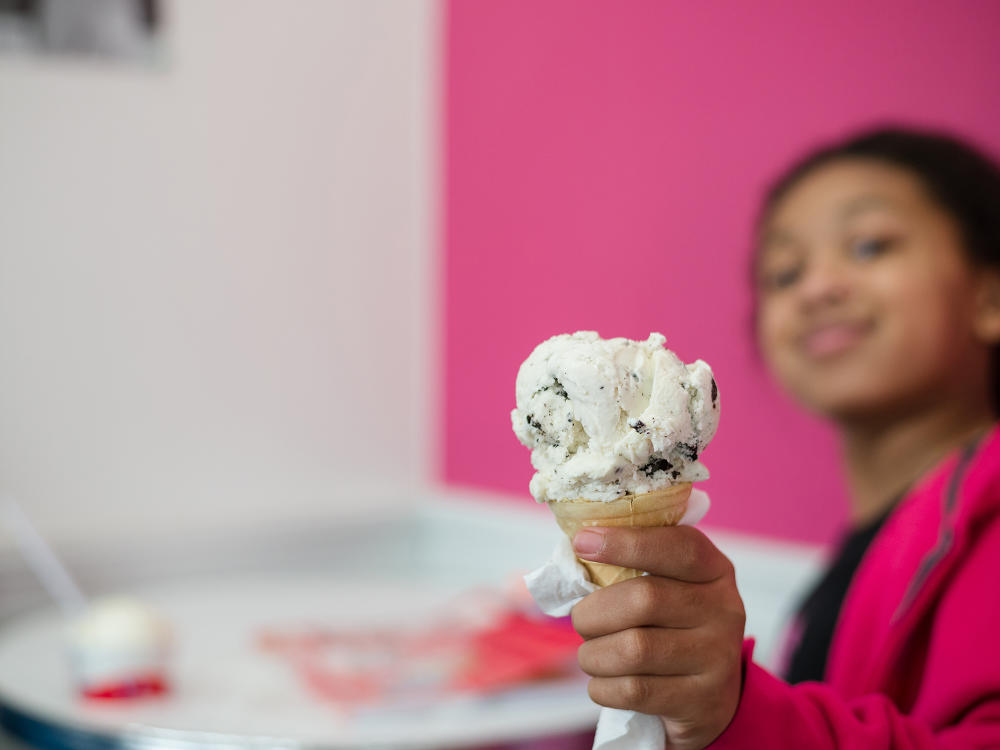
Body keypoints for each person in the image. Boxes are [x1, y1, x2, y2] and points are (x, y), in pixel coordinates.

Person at [568, 126, 1000, 749]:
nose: (818, 288)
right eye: (785, 272)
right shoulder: (870, 552)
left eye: (871, 245)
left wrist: (739, 711)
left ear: (989, 294)